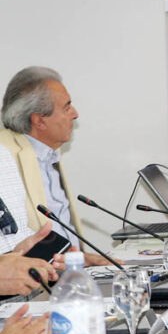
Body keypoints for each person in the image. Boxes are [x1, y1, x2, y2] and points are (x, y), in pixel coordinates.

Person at [0, 67, 108, 267]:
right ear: (39, 120)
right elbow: (14, 241)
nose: (75, 114)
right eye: (67, 107)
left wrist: (82, 259)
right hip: (37, 278)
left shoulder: (47, 153)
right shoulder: (7, 156)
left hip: (67, 270)